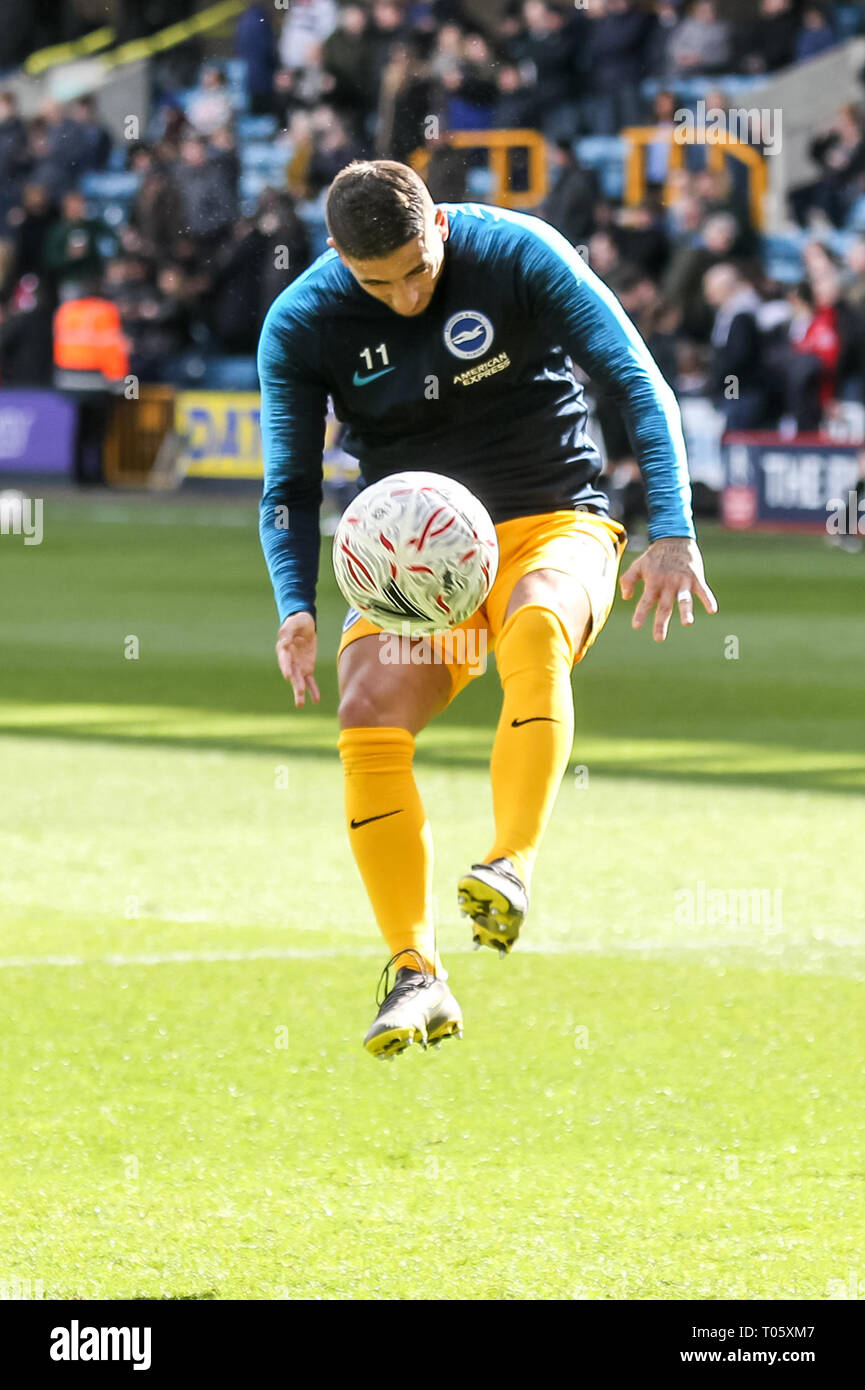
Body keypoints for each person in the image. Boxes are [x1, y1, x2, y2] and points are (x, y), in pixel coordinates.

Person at [257, 160, 716, 1059]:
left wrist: (672, 527)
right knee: (366, 711)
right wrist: (294, 602)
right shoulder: (302, 322)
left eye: (417, 271)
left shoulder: (517, 251)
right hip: (416, 558)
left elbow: (636, 379)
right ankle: (415, 973)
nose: (401, 297)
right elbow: (288, 484)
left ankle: (508, 864)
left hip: (551, 518)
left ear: (438, 225)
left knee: (538, 624)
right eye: (374, 283)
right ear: (338, 260)